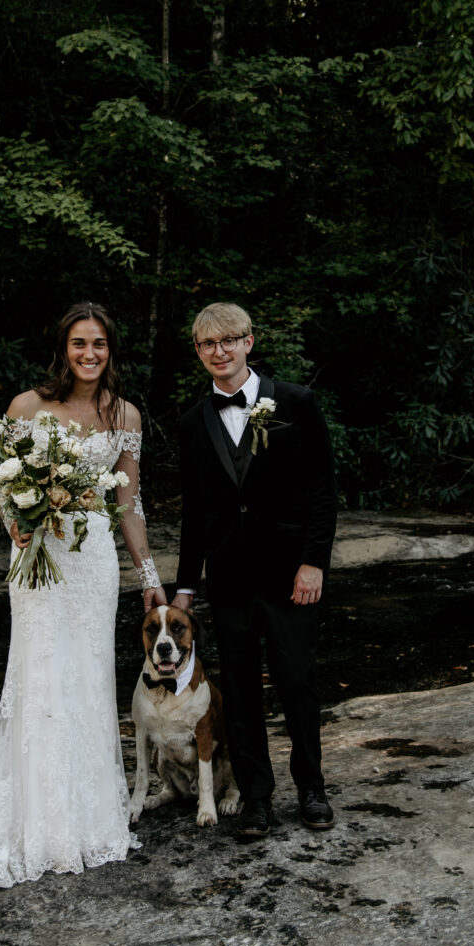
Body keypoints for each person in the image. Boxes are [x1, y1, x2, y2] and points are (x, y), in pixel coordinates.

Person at [0, 302, 166, 887]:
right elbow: (6, 486)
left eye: (99, 344)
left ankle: (89, 819)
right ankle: (34, 822)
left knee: (89, 678)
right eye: (79, 344)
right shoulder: (27, 407)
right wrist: (14, 524)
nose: (89, 354)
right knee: (42, 673)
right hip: (38, 558)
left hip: (92, 562)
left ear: (111, 350)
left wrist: (149, 578)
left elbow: (129, 504)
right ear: (62, 348)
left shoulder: (126, 415)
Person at [171, 302, 337, 838]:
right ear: (198, 353)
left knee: (297, 681)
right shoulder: (192, 423)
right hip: (229, 581)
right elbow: (195, 512)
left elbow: (321, 489)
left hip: (292, 575)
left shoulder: (296, 402)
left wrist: (313, 561)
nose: (218, 352)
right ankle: (256, 797)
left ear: (248, 342)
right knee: (240, 692)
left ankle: (311, 787)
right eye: (206, 345)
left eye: (228, 341)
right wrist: (185, 587)